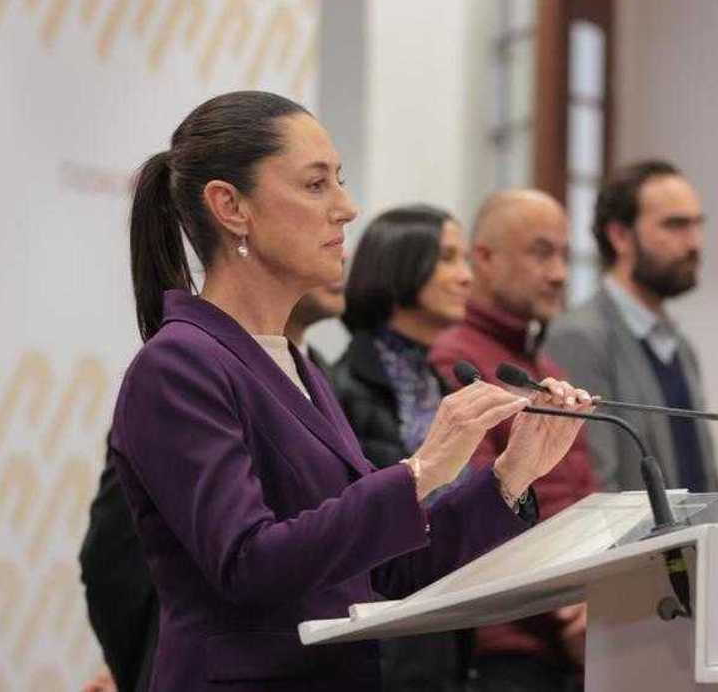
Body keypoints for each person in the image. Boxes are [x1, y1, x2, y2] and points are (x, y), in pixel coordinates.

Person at [108, 90, 596, 691]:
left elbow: (384, 568)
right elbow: (247, 564)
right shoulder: (179, 364)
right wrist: (418, 472)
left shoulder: (298, 366)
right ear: (230, 206)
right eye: (316, 186)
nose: (346, 208)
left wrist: (508, 478)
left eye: (339, 181)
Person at [79, 286, 347, 692]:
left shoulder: (322, 379)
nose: (343, 231)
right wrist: (141, 673)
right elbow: (113, 561)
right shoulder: (183, 370)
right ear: (237, 221)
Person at [429, 188, 597, 692]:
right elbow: (481, 503)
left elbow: (586, 502)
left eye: (565, 255)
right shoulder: (453, 359)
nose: (559, 273)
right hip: (509, 643)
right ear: (483, 257)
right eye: (541, 253)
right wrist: (569, 613)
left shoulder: (546, 370)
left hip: (578, 626)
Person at [329, 204, 476, 690]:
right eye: (449, 258)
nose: (466, 277)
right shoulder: (344, 387)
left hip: (443, 629)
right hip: (377, 644)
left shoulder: (441, 382)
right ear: (401, 265)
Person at [545, 160, 718, 493]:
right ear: (620, 236)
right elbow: (595, 489)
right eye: (675, 225)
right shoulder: (578, 337)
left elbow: (705, 477)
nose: (694, 242)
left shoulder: (680, 345)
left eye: (698, 225)